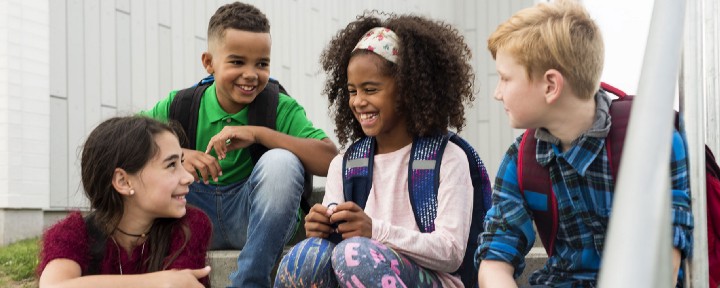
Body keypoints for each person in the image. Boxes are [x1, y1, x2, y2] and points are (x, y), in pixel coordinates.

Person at [475, 0, 694, 287]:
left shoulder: (651, 141)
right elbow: (495, 260)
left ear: (551, 86)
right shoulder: (521, 159)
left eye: (505, 78)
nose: (497, 93)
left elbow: (665, 260)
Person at [271, 12, 476, 287]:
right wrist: (319, 230)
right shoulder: (345, 164)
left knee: (355, 254)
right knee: (307, 256)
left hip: (430, 279)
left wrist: (374, 231)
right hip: (355, 267)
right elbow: (333, 246)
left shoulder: (447, 158)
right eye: (353, 91)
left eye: (370, 89)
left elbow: (451, 252)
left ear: (406, 89)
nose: (358, 102)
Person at [141, 2, 338, 287]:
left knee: (281, 160)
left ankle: (249, 282)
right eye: (237, 62)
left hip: (256, 220)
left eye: (262, 63)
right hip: (192, 215)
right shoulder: (181, 105)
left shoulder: (278, 107)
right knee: (144, 163)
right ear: (209, 62)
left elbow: (330, 160)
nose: (251, 74)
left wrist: (258, 134)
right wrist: (178, 155)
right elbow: (118, 144)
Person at [37, 116, 212, 288]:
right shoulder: (74, 233)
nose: (188, 177)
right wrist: (157, 282)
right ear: (123, 181)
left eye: (181, 162)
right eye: (171, 165)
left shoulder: (190, 225)